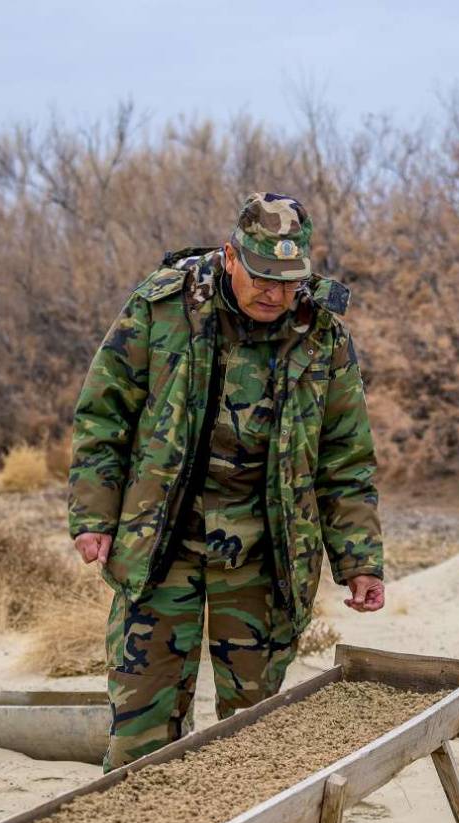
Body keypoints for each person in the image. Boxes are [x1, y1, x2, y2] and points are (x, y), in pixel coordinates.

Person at [68, 192, 385, 770]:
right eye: (263, 276)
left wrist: (359, 559)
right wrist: (93, 518)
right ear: (231, 256)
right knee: (143, 726)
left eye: (289, 282)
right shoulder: (163, 307)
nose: (275, 294)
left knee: (255, 734)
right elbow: (104, 413)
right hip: (161, 538)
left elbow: (344, 457)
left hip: (266, 547)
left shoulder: (322, 333)